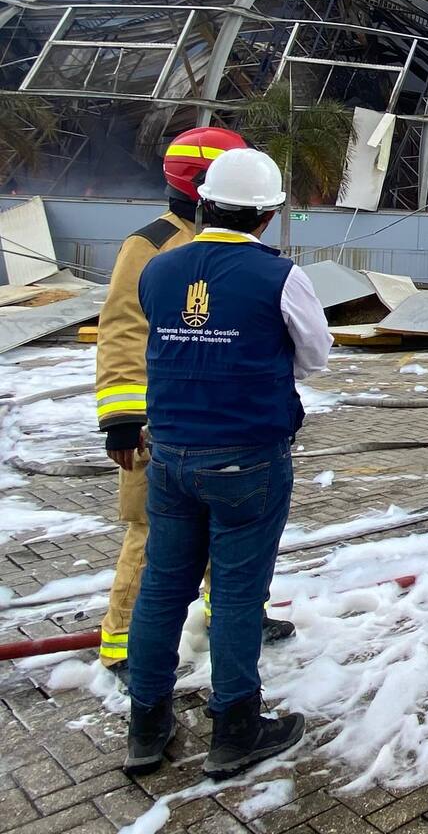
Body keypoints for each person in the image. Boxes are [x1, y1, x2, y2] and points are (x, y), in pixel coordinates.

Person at [123, 148, 331, 779]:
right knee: (238, 595)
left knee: (162, 588)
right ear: (266, 216)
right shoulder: (280, 275)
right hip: (247, 462)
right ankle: (236, 728)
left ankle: (146, 725)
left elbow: (162, 339)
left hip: (171, 457)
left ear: (203, 201)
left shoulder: (158, 271)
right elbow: (314, 356)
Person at [94, 126, 300, 681]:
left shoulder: (211, 241)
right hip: (162, 424)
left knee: (230, 532)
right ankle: (123, 643)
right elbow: (120, 332)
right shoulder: (154, 245)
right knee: (152, 535)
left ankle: (232, 615)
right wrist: (121, 418)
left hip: (224, 423)